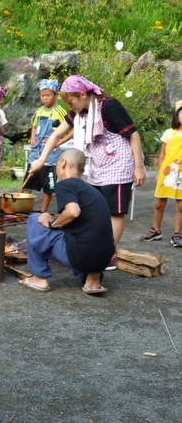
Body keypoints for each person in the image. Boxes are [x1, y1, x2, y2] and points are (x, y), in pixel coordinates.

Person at [28, 74, 146, 270]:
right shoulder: (80, 110)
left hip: (120, 163)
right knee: (97, 209)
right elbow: (57, 134)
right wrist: (41, 160)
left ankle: (108, 255)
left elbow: (133, 135)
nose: (70, 106)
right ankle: (94, 249)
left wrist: (138, 168)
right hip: (101, 164)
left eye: (71, 101)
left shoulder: (108, 106)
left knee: (114, 212)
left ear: (83, 94)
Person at [20, 149, 114, 294]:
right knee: (79, 235)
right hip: (104, 258)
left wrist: (51, 223)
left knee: (34, 220)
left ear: (63, 163)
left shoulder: (65, 184)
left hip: (81, 256)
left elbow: (73, 212)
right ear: (82, 170)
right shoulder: (92, 191)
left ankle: (39, 278)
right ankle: (93, 281)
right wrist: (57, 220)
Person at [25, 79, 74, 213]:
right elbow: (34, 126)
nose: (45, 98)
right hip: (36, 153)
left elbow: (73, 129)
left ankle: (43, 211)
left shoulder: (60, 111)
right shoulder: (39, 111)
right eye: (43, 95)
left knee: (48, 187)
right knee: (28, 180)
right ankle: (22, 207)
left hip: (51, 156)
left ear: (56, 95)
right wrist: (32, 137)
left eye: (48, 95)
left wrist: (59, 141)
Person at [140, 101, 182, 247]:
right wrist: (159, 173)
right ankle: (156, 230)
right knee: (159, 204)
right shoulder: (169, 133)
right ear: (177, 115)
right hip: (168, 172)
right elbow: (162, 153)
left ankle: (176, 234)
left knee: (180, 206)